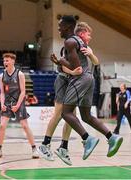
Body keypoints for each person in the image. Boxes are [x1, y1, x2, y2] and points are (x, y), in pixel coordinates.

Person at [54, 15, 123, 160]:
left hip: (80, 79)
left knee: (66, 113)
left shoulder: (70, 42)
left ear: (68, 27)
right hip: (90, 78)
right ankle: (111, 137)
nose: (58, 28)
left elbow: (76, 67)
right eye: (88, 33)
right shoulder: (79, 42)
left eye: (60, 25)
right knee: (86, 116)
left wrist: (60, 62)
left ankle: (87, 139)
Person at [38, 21, 99, 166]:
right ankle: (44, 144)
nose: (90, 37)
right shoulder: (70, 45)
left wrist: (91, 55)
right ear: (81, 34)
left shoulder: (85, 48)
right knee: (59, 113)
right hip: (63, 80)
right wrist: (72, 71)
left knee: (73, 116)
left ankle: (63, 147)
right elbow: (62, 67)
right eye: (88, 34)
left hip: (74, 82)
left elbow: (96, 62)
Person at [0, 53, 39, 159]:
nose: (5, 63)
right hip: (8, 102)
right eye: (4, 61)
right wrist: (2, 104)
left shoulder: (20, 74)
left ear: (13, 61)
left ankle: (34, 149)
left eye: (7, 60)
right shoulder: (1, 76)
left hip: (19, 101)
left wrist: (18, 105)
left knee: (25, 125)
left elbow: (23, 92)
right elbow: (2, 92)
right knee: (2, 125)